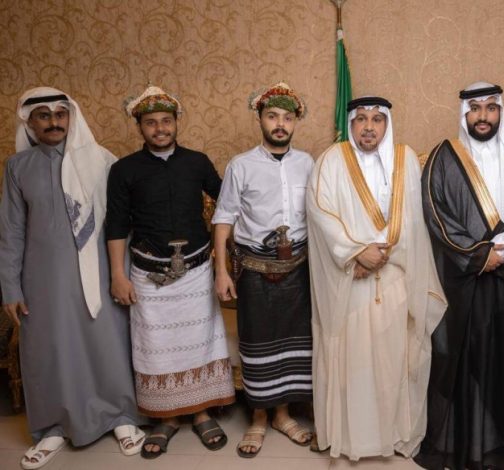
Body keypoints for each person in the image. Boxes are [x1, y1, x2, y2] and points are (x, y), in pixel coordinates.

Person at [0, 87, 145, 469]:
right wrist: (10, 287)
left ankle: (121, 416)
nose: (54, 122)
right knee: (50, 348)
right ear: (29, 122)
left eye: (60, 114)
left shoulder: (102, 161)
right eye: (43, 115)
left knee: (107, 341)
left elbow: (123, 223)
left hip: (101, 270)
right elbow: (11, 230)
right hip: (43, 277)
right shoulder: (18, 167)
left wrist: (124, 274)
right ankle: (51, 426)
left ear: (71, 117)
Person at [415, 82, 504, 470]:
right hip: (467, 281)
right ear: (464, 114)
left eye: (491, 108)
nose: (483, 116)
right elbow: (436, 213)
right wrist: (479, 254)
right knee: (467, 359)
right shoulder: (444, 156)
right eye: (475, 109)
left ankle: (502, 444)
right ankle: (466, 443)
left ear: (500, 113)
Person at [307, 96, 446, 460]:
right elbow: (321, 212)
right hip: (349, 279)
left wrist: (379, 256)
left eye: (377, 120)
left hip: (396, 276)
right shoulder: (331, 160)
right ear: (351, 124)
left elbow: (416, 219)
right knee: (354, 363)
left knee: (392, 361)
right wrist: (356, 253)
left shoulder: (405, 159)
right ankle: (353, 440)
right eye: (361, 119)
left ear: (387, 124)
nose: (369, 127)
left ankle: (395, 435)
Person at [106, 85, 234, 459]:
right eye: (151, 123)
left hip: (196, 271)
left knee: (199, 342)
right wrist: (118, 275)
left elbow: (227, 203)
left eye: (166, 121)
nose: (160, 128)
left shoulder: (197, 162)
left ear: (176, 123)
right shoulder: (123, 170)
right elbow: (116, 224)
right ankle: (165, 418)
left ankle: (201, 412)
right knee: (156, 349)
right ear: (139, 127)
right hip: (149, 276)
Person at [212, 82, 315, 458]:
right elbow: (223, 218)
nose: (280, 124)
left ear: (295, 122)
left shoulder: (308, 163)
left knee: (292, 343)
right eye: (272, 116)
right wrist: (222, 271)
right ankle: (257, 417)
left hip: (298, 267)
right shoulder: (241, 165)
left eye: (287, 117)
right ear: (260, 119)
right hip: (254, 268)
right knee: (257, 344)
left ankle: (283, 416)